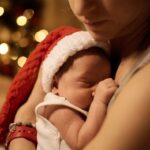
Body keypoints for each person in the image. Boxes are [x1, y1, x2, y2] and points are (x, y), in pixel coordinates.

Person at [0, 0, 149, 149]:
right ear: (55, 85)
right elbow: (29, 113)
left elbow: (28, 113)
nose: (80, 8)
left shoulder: (144, 84)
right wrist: (24, 122)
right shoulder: (79, 46)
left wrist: (23, 124)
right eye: (86, 83)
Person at [35, 34, 118, 149]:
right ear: (55, 85)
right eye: (87, 83)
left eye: (104, 81)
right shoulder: (59, 109)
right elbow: (81, 143)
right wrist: (99, 103)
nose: (99, 90)